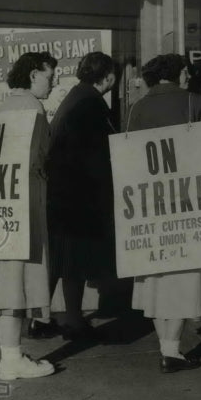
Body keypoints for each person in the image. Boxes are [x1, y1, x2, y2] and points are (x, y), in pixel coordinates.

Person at [126, 53, 201, 373]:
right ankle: (173, 349)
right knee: (183, 276)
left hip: (147, 203)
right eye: (186, 72)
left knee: (155, 277)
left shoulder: (137, 107)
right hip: (186, 201)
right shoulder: (195, 102)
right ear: (179, 73)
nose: (188, 77)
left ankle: (168, 348)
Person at [0, 51, 58, 380]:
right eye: (49, 74)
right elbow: (39, 160)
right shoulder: (32, 108)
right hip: (23, 208)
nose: (53, 81)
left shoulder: (3, 107)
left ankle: (10, 355)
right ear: (33, 75)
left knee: (5, 281)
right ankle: (11, 361)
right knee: (17, 282)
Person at [41, 51, 118, 342]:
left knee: (62, 262)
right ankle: (71, 321)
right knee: (73, 262)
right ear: (108, 76)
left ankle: (45, 318)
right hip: (78, 196)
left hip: (62, 194)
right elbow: (98, 156)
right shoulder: (91, 104)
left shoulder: (76, 96)